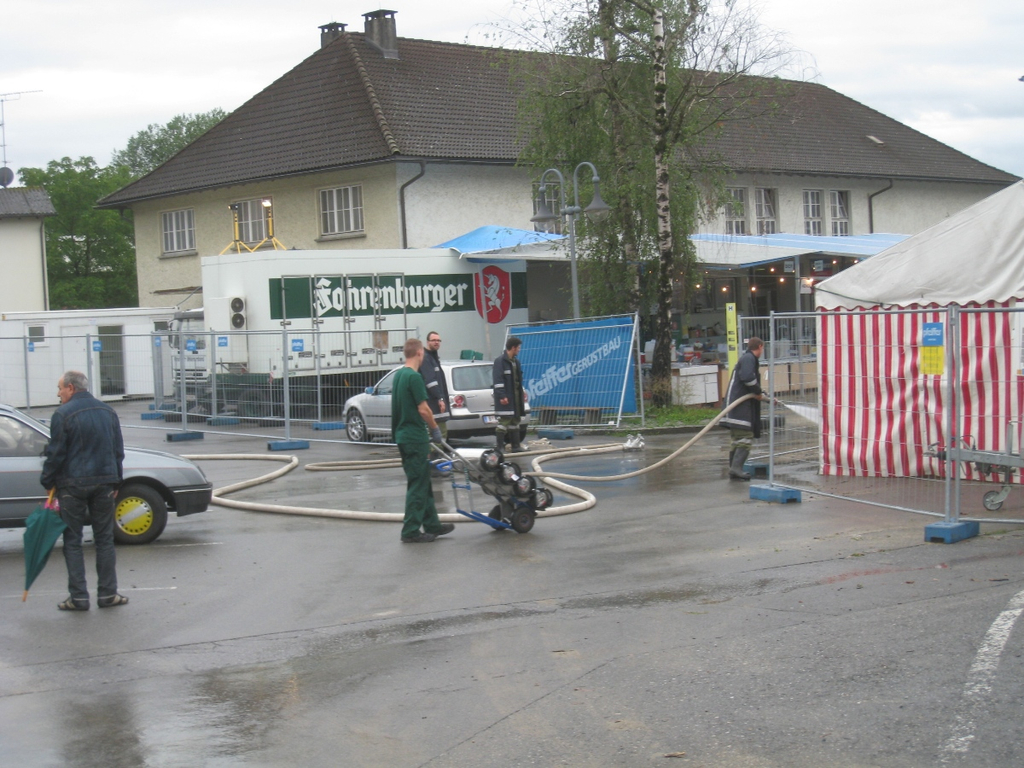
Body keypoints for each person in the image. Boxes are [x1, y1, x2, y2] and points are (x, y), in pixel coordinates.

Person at [40, 371, 129, 610]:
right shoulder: (108, 411)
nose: (58, 393)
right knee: (104, 540)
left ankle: (79, 597)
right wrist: (116, 482)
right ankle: (108, 595)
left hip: (72, 486)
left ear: (70, 388)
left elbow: (56, 453)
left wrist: (47, 481)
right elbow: (118, 451)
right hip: (104, 484)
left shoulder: (62, 414)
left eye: (60, 388)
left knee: (73, 541)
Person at [392, 339, 456, 543]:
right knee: (418, 485)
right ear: (420, 353)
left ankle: (432, 524)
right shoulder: (414, 377)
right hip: (414, 437)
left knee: (423, 481)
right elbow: (423, 409)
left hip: (403, 435)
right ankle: (410, 530)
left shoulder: (399, 375)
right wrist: (435, 428)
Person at [720, 337, 768, 481]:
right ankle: (736, 468)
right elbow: (748, 378)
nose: (762, 350)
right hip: (739, 406)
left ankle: (734, 470)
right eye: (763, 348)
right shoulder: (749, 358)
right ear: (759, 346)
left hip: (734, 405)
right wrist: (758, 392)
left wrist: (761, 393)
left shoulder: (746, 358)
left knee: (737, 439)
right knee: (745, 438)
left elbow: (749, 381)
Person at [420, 331, 451, 476]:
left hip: (438, 403)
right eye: (434, 340)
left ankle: (437, 464)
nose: (437, 342)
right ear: (428, 342)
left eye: (439, 340)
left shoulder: (433, 358)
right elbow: (431, 382)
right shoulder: (427, 359)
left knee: (441, 433)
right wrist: (439, 398)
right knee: (438, 433)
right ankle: (434, 466)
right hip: (434, 404)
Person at [493, 336, 528, 453]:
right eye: (518, 348)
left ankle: (516, 446)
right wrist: (502, 396)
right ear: (513, 348)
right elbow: (498, 381)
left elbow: (517, 380)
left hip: (515, 397)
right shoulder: (500, 361)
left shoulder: (515, 362)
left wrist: (521, 392)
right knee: (504, 422)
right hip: (506, 398)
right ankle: (500, 447)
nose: (519, 350)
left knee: (515, 421)